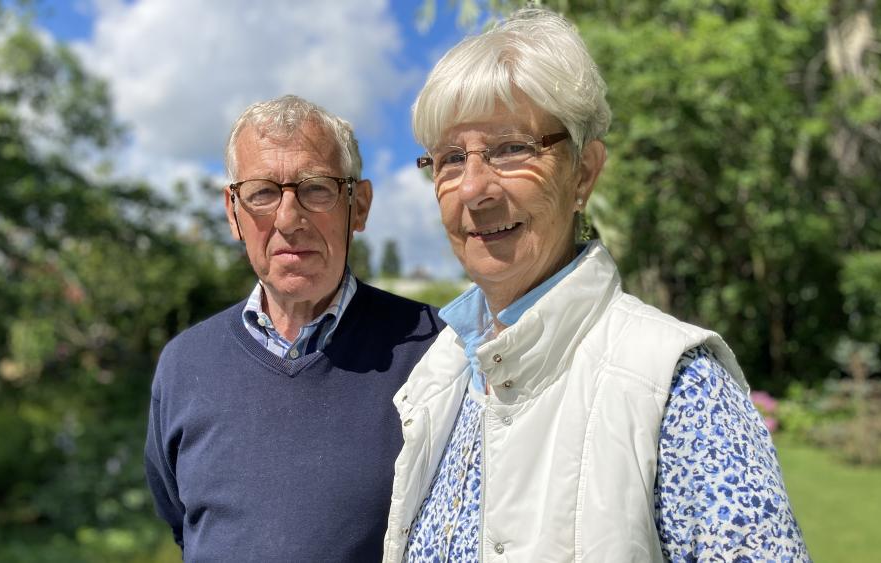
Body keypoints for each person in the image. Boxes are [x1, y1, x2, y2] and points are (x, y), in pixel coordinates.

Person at [383, 9, 808, 562]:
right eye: (450, 159)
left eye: (512, 149)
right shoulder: (442, 374)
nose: (474, 189)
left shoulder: (677, 387)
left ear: (583, 173)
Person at [145, 95, 443, 562]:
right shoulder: (184, 364)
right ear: (233, 212)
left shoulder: (434, 351)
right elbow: (184, 521)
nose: (288, 219)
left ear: (358, 205)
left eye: (317, 188)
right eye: (262, 192)